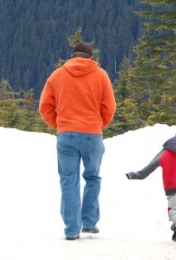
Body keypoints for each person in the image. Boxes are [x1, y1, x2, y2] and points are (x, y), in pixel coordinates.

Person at [39, 42, 116, 240]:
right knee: (92, 177)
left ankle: (72, 229)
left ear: (72, 56)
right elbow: (109, 106)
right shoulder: (101, 75)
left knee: (68, 180)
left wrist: (58, 124)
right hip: (92, 134)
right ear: (91, 57)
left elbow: (45, 106)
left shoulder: (57, 75)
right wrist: (99, 124)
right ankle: (89, 222)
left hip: (66, 134)